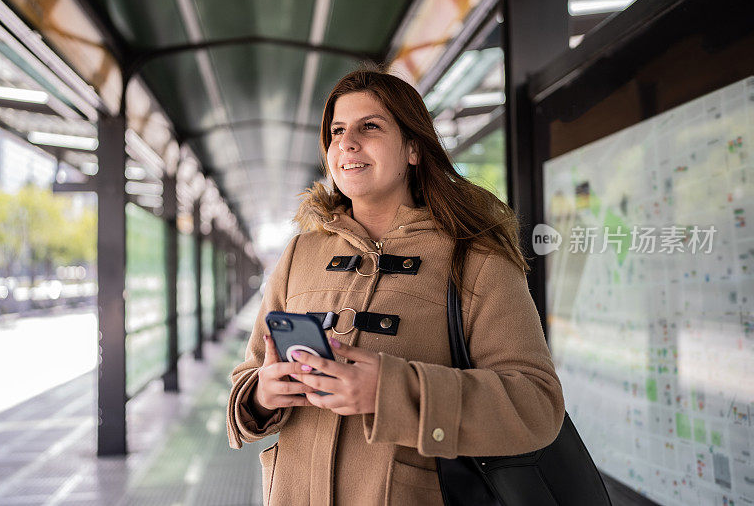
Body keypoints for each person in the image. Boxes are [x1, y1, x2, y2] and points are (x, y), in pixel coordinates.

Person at [226, 68, 565, 505]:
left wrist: (391, 391)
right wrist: (262, 394)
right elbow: (248, 374)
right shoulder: (300, 253)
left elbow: (537, 405)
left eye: (369, 127)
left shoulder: (477, 259)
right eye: (336, 131)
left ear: (413, 148)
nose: (347, 142)